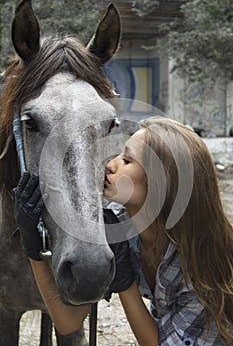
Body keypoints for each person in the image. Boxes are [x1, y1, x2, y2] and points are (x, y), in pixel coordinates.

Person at [13, 117, 233, 345]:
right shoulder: (120, 225)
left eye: (127, 160)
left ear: (161, 183)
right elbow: (68, 323)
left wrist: (125, 283)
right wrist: (33, 246)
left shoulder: (202, 266)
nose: (110, 165)